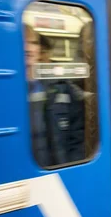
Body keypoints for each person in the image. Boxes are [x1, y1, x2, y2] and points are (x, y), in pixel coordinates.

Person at [25, 24, 85, 167]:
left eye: (33, 43)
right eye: (23, 42)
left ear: (39, 49)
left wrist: (73, 167)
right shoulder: (4, 91)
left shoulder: (62, 87)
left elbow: (78, 134)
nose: (28, 48)